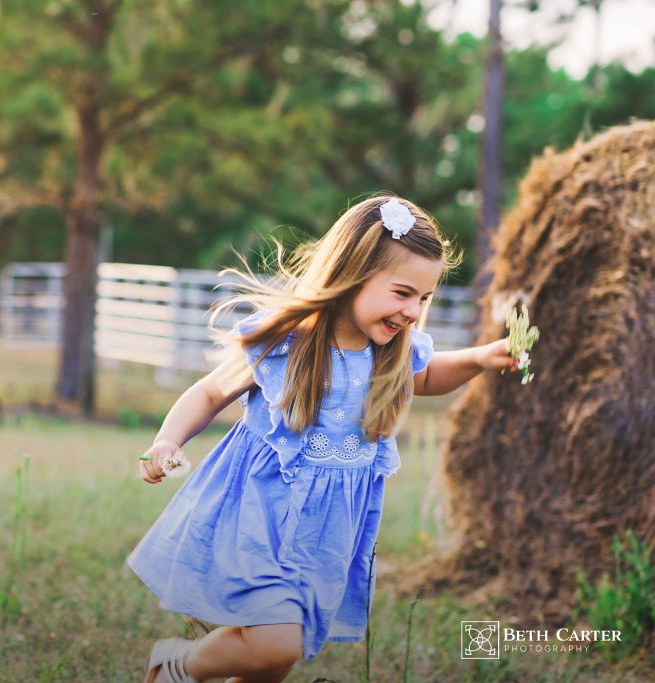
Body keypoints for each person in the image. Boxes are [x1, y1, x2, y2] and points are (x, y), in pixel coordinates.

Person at [129, 196, 517, 683]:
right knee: (275, 641)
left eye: (423, 298)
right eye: (402, 293)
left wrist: (480, 358)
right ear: (354, 272)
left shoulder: (391, 353)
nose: (413, 311)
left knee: (277, 656)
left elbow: (430, 375)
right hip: (261, 513)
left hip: (325, 530)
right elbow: (210, 392)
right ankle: (176, 664)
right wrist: (168, 440)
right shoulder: (287, 341)